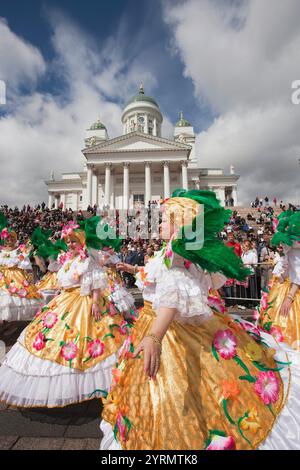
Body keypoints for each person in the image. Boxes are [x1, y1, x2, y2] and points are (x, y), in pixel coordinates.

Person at [100, 189, 299, 450]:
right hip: (169, 324)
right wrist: (134, 269)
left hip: (172, 332)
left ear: (180, 224)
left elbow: (171, 299)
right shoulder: (174, 252)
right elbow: (160, 278)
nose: (158, 224)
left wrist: (154, 336)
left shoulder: (178, 258)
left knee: (182, 396)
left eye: (164, 220)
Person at [0, 218, 135, 407]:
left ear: (81, 242)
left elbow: (95, 281)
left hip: (85, 301)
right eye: (68, 241)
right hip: (66, 300)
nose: (70, 244)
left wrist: (96, 303)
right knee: (51, 338)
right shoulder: (68, 259)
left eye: (74, 241)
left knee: (90, 341)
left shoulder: (87, 259)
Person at [258, 210, 300, 351]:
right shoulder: (290, 251)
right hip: (286, 288)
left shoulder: (296, 251)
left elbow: (298, 278)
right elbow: (287, 273)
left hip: (293, 293)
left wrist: (288, 298)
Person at [0, 213, 42, 323]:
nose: (8, 240)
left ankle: (13, 323)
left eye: (11, 238)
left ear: (15, 239)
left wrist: (30, 278)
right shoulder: (1, 251)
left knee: (16, 298)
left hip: (16, 276)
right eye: (7, 238)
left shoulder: (19, 250)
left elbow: (26, 266)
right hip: (2, 276)